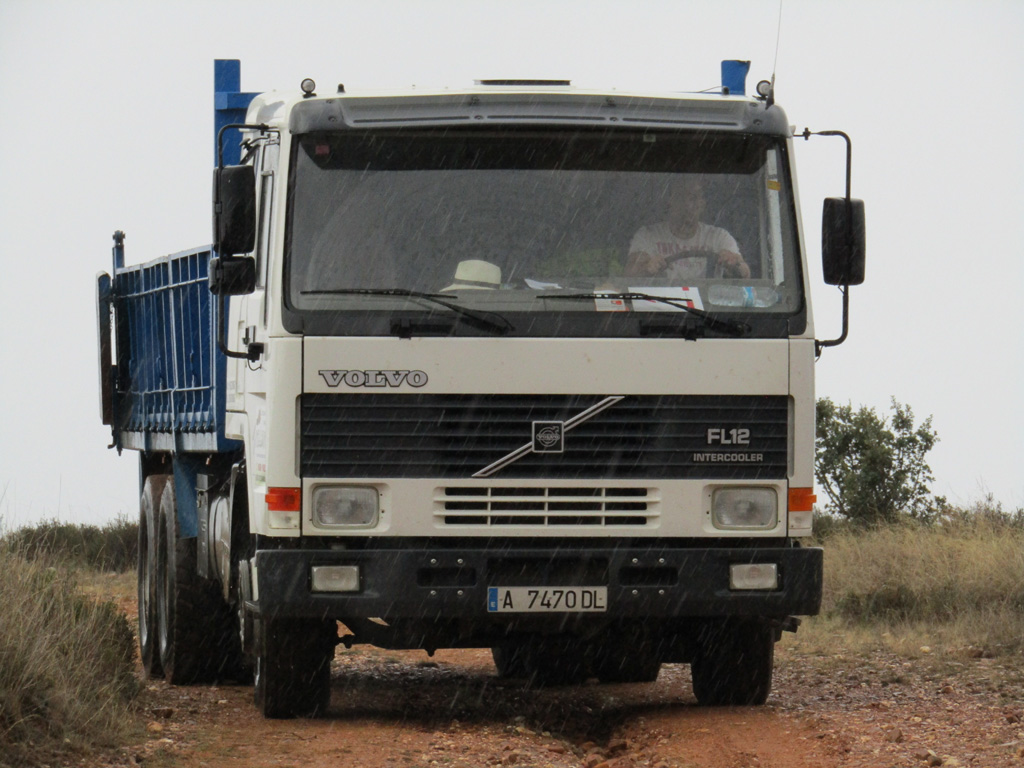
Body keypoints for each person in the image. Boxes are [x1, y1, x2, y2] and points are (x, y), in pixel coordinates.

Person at [625, 177, 750, 281]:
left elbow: (745, 275)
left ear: (703, 204)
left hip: (707, 308)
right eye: (684, 197)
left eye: (696, 198)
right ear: (671, 201)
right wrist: (647, 268)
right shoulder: (648, 235)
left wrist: (734, 264)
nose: (691, 204)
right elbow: (629, 275)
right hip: (660, 306)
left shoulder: (719, 237)